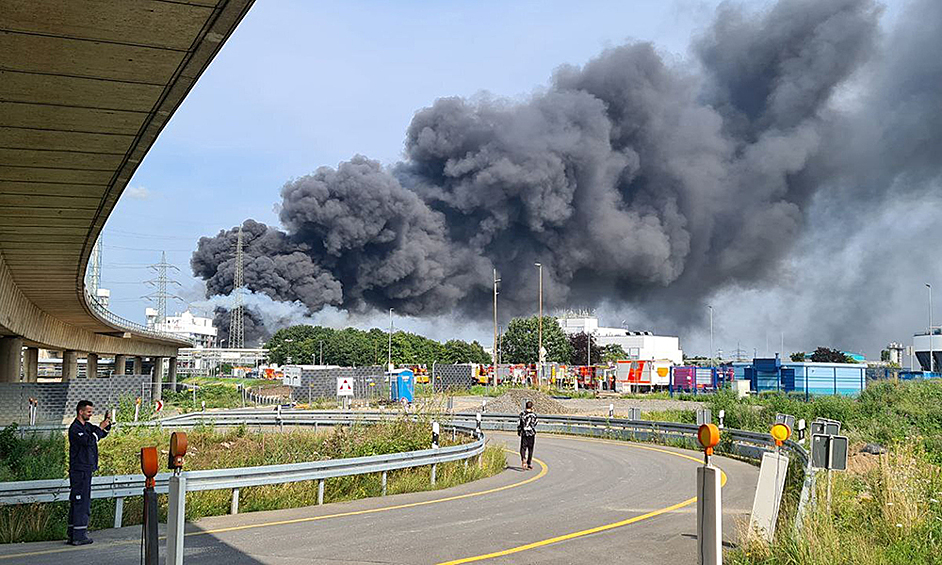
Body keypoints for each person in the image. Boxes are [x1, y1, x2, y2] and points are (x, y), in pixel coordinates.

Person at [67, 400, 111, 546]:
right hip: (79, 471)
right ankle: (79, 535)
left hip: (86, 469)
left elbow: (101, 435)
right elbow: (88, 441)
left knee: (80, 501)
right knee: (81, 502)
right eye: (88, 412)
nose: (91, 414)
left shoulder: (87, 427)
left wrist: (106, 424)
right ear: (81, 412)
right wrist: (100, 428)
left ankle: (73, 533)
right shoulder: (75, 428)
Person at [517, 400, 537, 470]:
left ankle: (523, 460)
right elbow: (535, 424)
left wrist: (519, 431)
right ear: (532, 407)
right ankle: (529, 462)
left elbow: (519, 424)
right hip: (531, 433)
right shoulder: (534, 415)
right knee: (530, 449)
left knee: (523, 447)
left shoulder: (522, 415)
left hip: (524, 433)